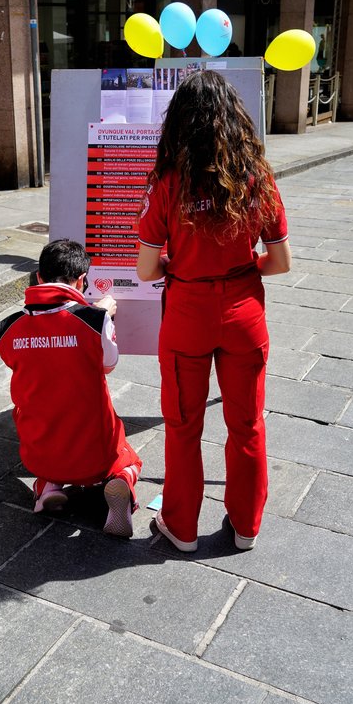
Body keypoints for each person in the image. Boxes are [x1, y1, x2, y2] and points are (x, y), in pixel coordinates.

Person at [135, 69, 291, 553]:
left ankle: (180, 527)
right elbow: (280, 263)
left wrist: (180, 261)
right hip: (244, 312)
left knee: (183, 427)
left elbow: (145, 270)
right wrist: (242, 267)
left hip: (186, 313)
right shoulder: (257, 178)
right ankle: (245, 525)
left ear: (180, 122)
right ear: (234, 118)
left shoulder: (167, 181)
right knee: (247, 424)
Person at [0, 239, 141, 537]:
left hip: (38, 449)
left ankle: (48, 487)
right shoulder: (94, 319)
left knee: (48, 457)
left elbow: (22, 360)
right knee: (129, 458)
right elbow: (108, 365)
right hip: (95, 455)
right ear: (81, 280)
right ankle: (121, 482)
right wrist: (101, 314)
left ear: (39, 277)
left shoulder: (6, 327)